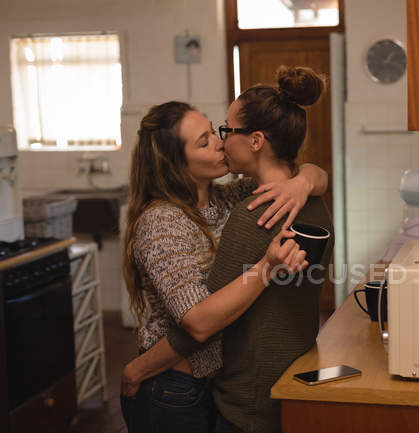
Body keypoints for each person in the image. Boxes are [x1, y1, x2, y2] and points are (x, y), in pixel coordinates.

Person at [121, 66, 334, 433]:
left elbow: (312, 177)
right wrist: (139, 369)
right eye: (205, 141)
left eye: (218, 132)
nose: (220, 143)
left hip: (214, 383)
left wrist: (303, 181)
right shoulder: (162, 223)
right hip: (171, 383)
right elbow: (199, 322)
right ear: (175, 163)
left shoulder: (233, 198)